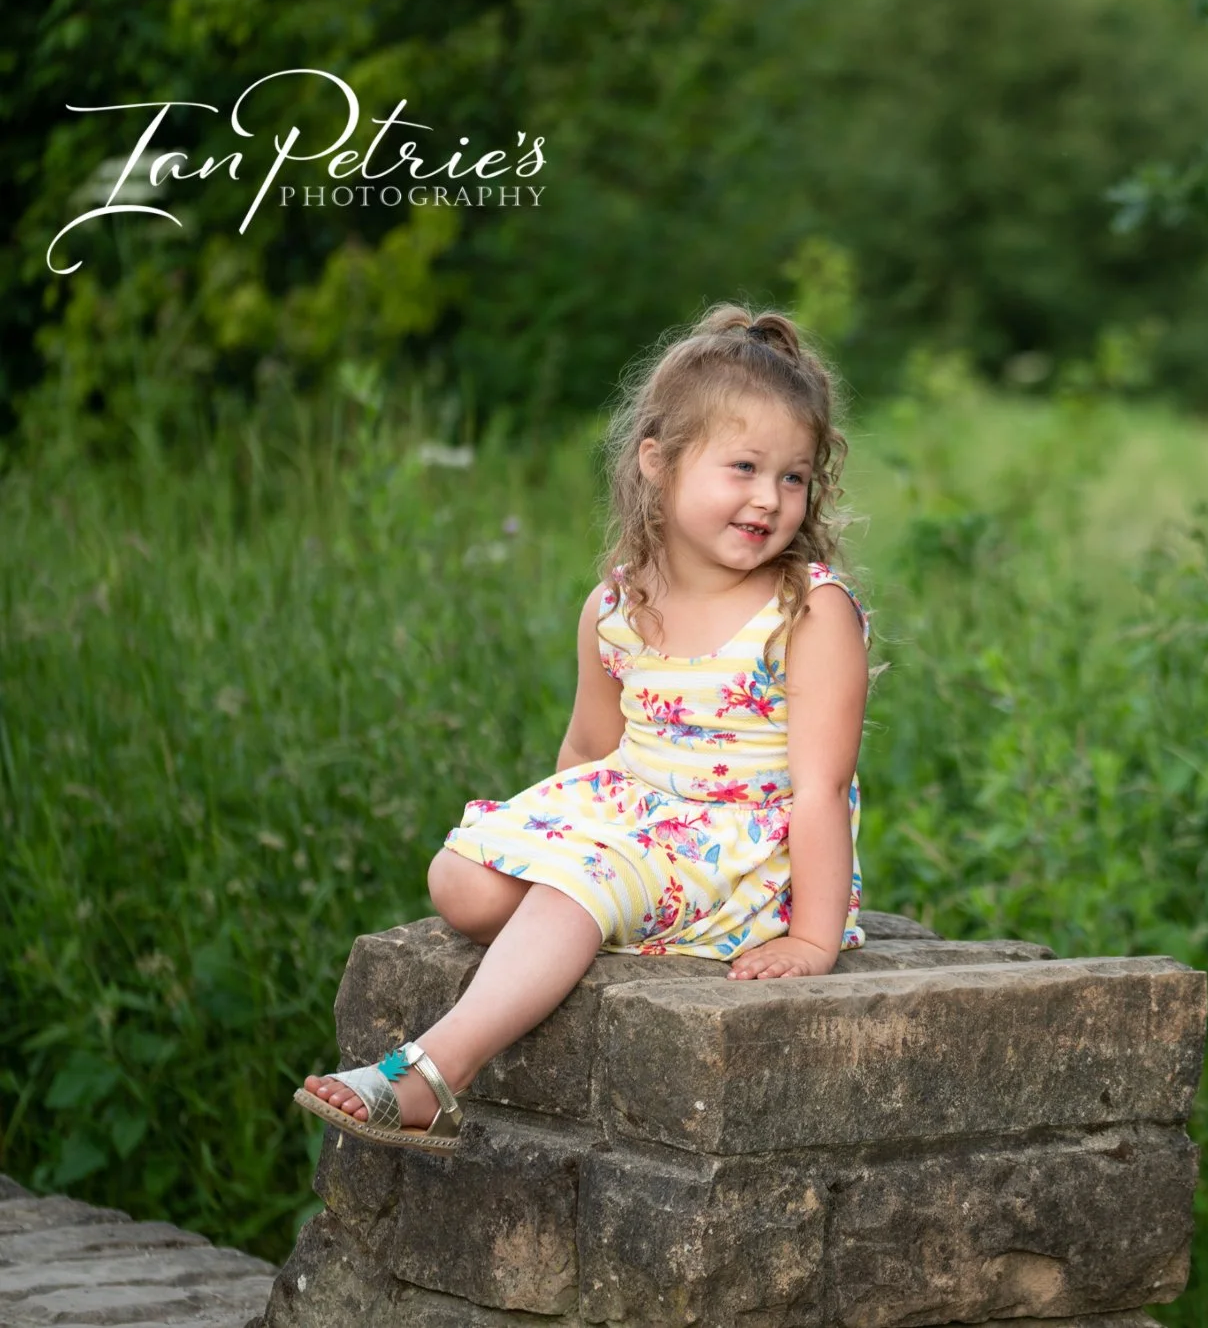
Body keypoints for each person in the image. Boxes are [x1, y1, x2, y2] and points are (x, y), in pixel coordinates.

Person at [293, 304, 873, 1151]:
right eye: (743, 466)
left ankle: (427, 1075)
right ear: (658, 463)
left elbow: (820, 787)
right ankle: (577, 914)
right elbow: (587, 752)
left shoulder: (807, 611)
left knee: (575, 890)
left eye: (794, 476)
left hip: (740, 851)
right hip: (637, 812)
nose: (769, 498)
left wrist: (814, 937)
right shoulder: (616, 603)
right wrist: (552, 828)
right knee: (458, 878)